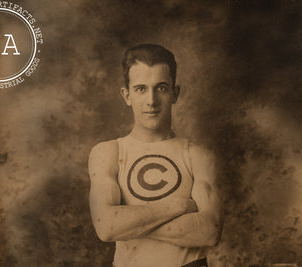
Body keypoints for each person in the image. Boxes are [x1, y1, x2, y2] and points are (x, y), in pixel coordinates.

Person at [88, 44, 222, 267]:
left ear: (175, 93)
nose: (151, 100)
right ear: (126, 95)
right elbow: (106, 227)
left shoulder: (198, 156)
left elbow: (209, 231)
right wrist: (180, 207)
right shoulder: (108, 153)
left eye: (161, 88)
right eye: (141, 89)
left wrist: (130, 223)